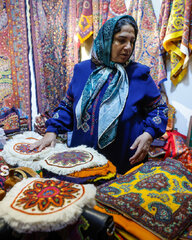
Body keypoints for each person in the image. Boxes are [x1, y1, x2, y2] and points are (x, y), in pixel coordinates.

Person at [31, 15, 168, 174]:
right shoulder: (82, 71)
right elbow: (67, 107)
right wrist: (51, 130)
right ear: (106, 39)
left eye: (132, 41)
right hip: (83, 160)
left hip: (125, 161)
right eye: (121, 40)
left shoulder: (139, 74)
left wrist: (149, 134)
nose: (128, 47)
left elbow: (159, 109)